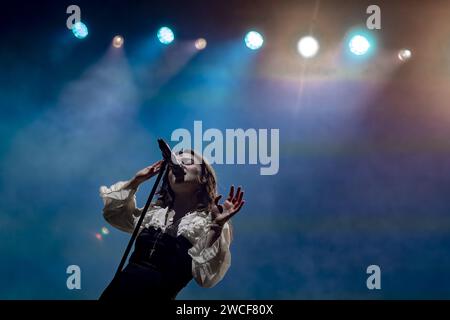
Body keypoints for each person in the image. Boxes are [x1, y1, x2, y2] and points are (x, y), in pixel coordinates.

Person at [98, 149, 245, 299]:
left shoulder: (207, 223)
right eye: (173, 165)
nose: (179, 165)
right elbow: (113, 213)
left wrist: (216, 227)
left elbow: (205, 277)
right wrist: (135, 181)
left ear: (203, 177)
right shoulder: (153, 214)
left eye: (187, 162)